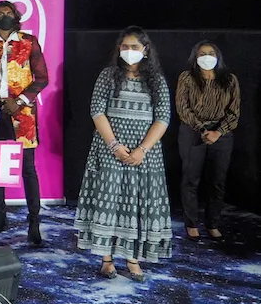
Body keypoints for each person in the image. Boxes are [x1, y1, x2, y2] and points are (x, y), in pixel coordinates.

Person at [75, 26, 171, 282]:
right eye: (125, 47)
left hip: (145, 153)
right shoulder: (108, 75)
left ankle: (132, 259)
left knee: (137, 203)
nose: (129, 51)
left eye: (135, 47)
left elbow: (163, 118)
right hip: (110, 150)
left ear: (145, 50)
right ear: (119, 49)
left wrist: (142, 150)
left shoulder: (156, 80)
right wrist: (115, 146)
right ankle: (107, 259)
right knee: (109, 201)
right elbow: (97, 111)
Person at [0, 1, 48, 245]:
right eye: (1, 13)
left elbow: (42, 78)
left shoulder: (29, 42)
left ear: (16, 17)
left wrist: (19, 101)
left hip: (21, 112)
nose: (5, 16)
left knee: (28, 168)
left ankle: (34, 222)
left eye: (9, 13)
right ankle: (0, 215)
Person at [175, 40, 240, 242]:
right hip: (193, 131)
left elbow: (234, 112)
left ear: (218, 56)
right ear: (195, 57)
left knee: (217, 181)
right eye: (202, 53)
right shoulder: (187, 78)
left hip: (221, 134)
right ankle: (191, 224)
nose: (206, 57)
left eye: (211, 53)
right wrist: (202, 129)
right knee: (190, 179)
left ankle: (213, 223)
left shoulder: (230, 79)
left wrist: (218, 132)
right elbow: (182, 108)